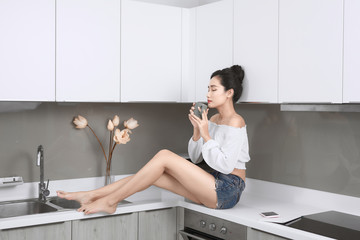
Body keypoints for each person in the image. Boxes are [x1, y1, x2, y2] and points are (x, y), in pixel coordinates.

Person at [57, 65, 250, 214]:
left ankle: (109, 201)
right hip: (208, 182)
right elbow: (198, 158)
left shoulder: (236, 122)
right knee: (153, 174)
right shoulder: (214, 119)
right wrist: (197, 132)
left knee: (164, 156)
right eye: (208, 88)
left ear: (229, 93)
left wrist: (206, 134)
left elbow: (225, 166)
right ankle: (92, 195)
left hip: (227, 190)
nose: (208, 94)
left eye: (213, 89)